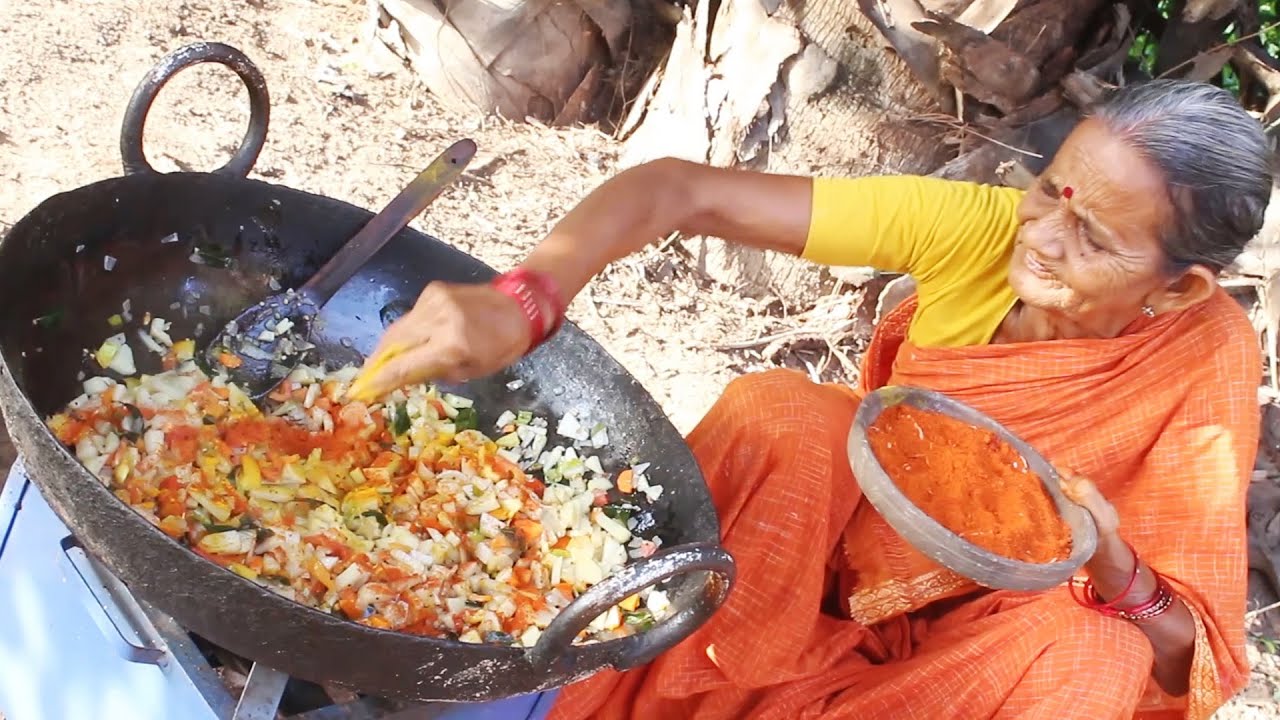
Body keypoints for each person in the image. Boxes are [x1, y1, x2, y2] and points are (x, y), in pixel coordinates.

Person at [349, 80, 1271, 719]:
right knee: (782, 415)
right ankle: (630, 686)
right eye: (1048, 191)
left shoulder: (1202, 354)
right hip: (823, 565)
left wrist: (1112, 565)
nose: (1043, 238)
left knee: (1091, 657)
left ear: (1179, 287)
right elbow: (679, 190)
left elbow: (1186, 657)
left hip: (986, 649)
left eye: (1095, 236)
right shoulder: (984, 231)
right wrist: (529, 298)